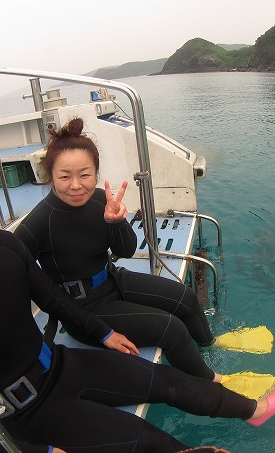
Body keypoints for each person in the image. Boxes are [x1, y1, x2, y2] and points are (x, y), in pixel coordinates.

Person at [0, 140, 275, 453]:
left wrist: (103, 332)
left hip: (60, 365)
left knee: (168, 381)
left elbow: (51, 298)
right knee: (146, 439)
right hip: (26, 412)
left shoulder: (8, 248)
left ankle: (255, 409)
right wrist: (40, 452)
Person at [15, 117, 237, 384]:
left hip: (113, 280)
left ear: (96, 172)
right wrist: (102, 332)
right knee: (170, 328)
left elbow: (128, 249)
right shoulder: (37, 225)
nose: (76, 185)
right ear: (50, 175)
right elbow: (34, 289)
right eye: (64, 176)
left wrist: (117, 223)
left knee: (186, 298)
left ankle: (210, 343)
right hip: (84, 312)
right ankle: (214, 383)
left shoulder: (101, 200)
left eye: (85, 175)